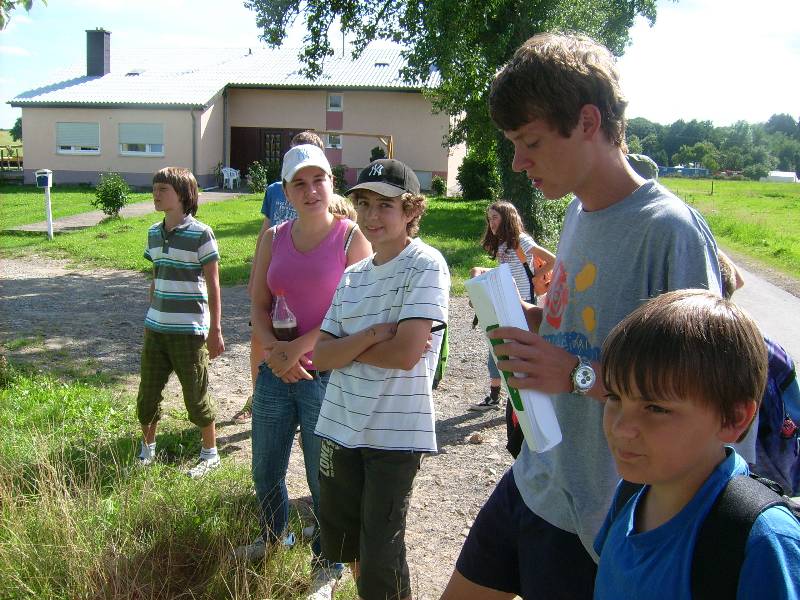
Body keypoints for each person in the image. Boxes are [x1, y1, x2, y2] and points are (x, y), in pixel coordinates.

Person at [441, 32, 721, 600]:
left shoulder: (668, 231)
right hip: (537, 477)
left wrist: (574, 374)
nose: (518, 162)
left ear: (588, 122)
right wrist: (532, 318)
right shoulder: (576, 212)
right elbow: (581, 324)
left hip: (599, 517)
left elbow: (700, 392)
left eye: (531, 142)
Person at [594, 289, 800, 599]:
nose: (621, 428)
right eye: (614, 397)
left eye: (656, 408)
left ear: (733, 418)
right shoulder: (632, 492)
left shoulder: (759, 541)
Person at [237, 144, 372, 600]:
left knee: (323, 480)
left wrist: (296, 349)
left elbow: (354, 314)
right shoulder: (273, 237)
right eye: (300, 183)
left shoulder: (352, 239)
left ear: (332, 184)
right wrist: (276, 353)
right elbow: (258, 304)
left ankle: (327, 565)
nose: (311, 190)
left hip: (327, 377)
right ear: (286, 191)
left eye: (319, 180)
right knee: (265, 470)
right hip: (276, 373)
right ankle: (273, 536)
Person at [312, 159, 450, 600]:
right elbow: (321, 356)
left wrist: (347, 348)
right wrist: (373, 335)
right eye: (364, 203)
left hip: (394, 435)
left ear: (411, 210)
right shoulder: (353, 275)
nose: (371, 216)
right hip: (340, 425)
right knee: (350, 546)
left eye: (385, 205)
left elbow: (406, 353)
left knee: (380, 554)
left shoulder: (425, 264)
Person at [136, 167, 225, 478]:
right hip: (156, 329)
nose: (156, 194)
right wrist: (151, 315)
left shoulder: (201, 233)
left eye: (163, 189)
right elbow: (156, 278)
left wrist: (215, 330)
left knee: (196, 395)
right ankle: (147, 450)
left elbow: (214, 284)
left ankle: (210, 454)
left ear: (184, 195)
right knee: (148, 393)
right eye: (154, 188)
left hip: (189, 331)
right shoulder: (152, 233)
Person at [234, 130, 326, 423]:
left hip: (307, 273)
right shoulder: (275, 191)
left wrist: (293, 353)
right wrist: (255, 275)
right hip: (278, 267)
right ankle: (257, 394)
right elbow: (266, 228)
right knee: (260, 335)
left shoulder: (328, 204)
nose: (308, 188)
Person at [468, 200, 554, 412]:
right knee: (497, 346)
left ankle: (524, 400)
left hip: (524, 306)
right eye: (489, 218)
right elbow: (505, 273)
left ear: (507, 218)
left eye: (495, 217)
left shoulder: (521, 240)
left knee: (517, 352)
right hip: (505, 302)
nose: (491, 222)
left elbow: (553, 259)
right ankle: (495, 397)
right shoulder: (502, 244)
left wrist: (536, 275)